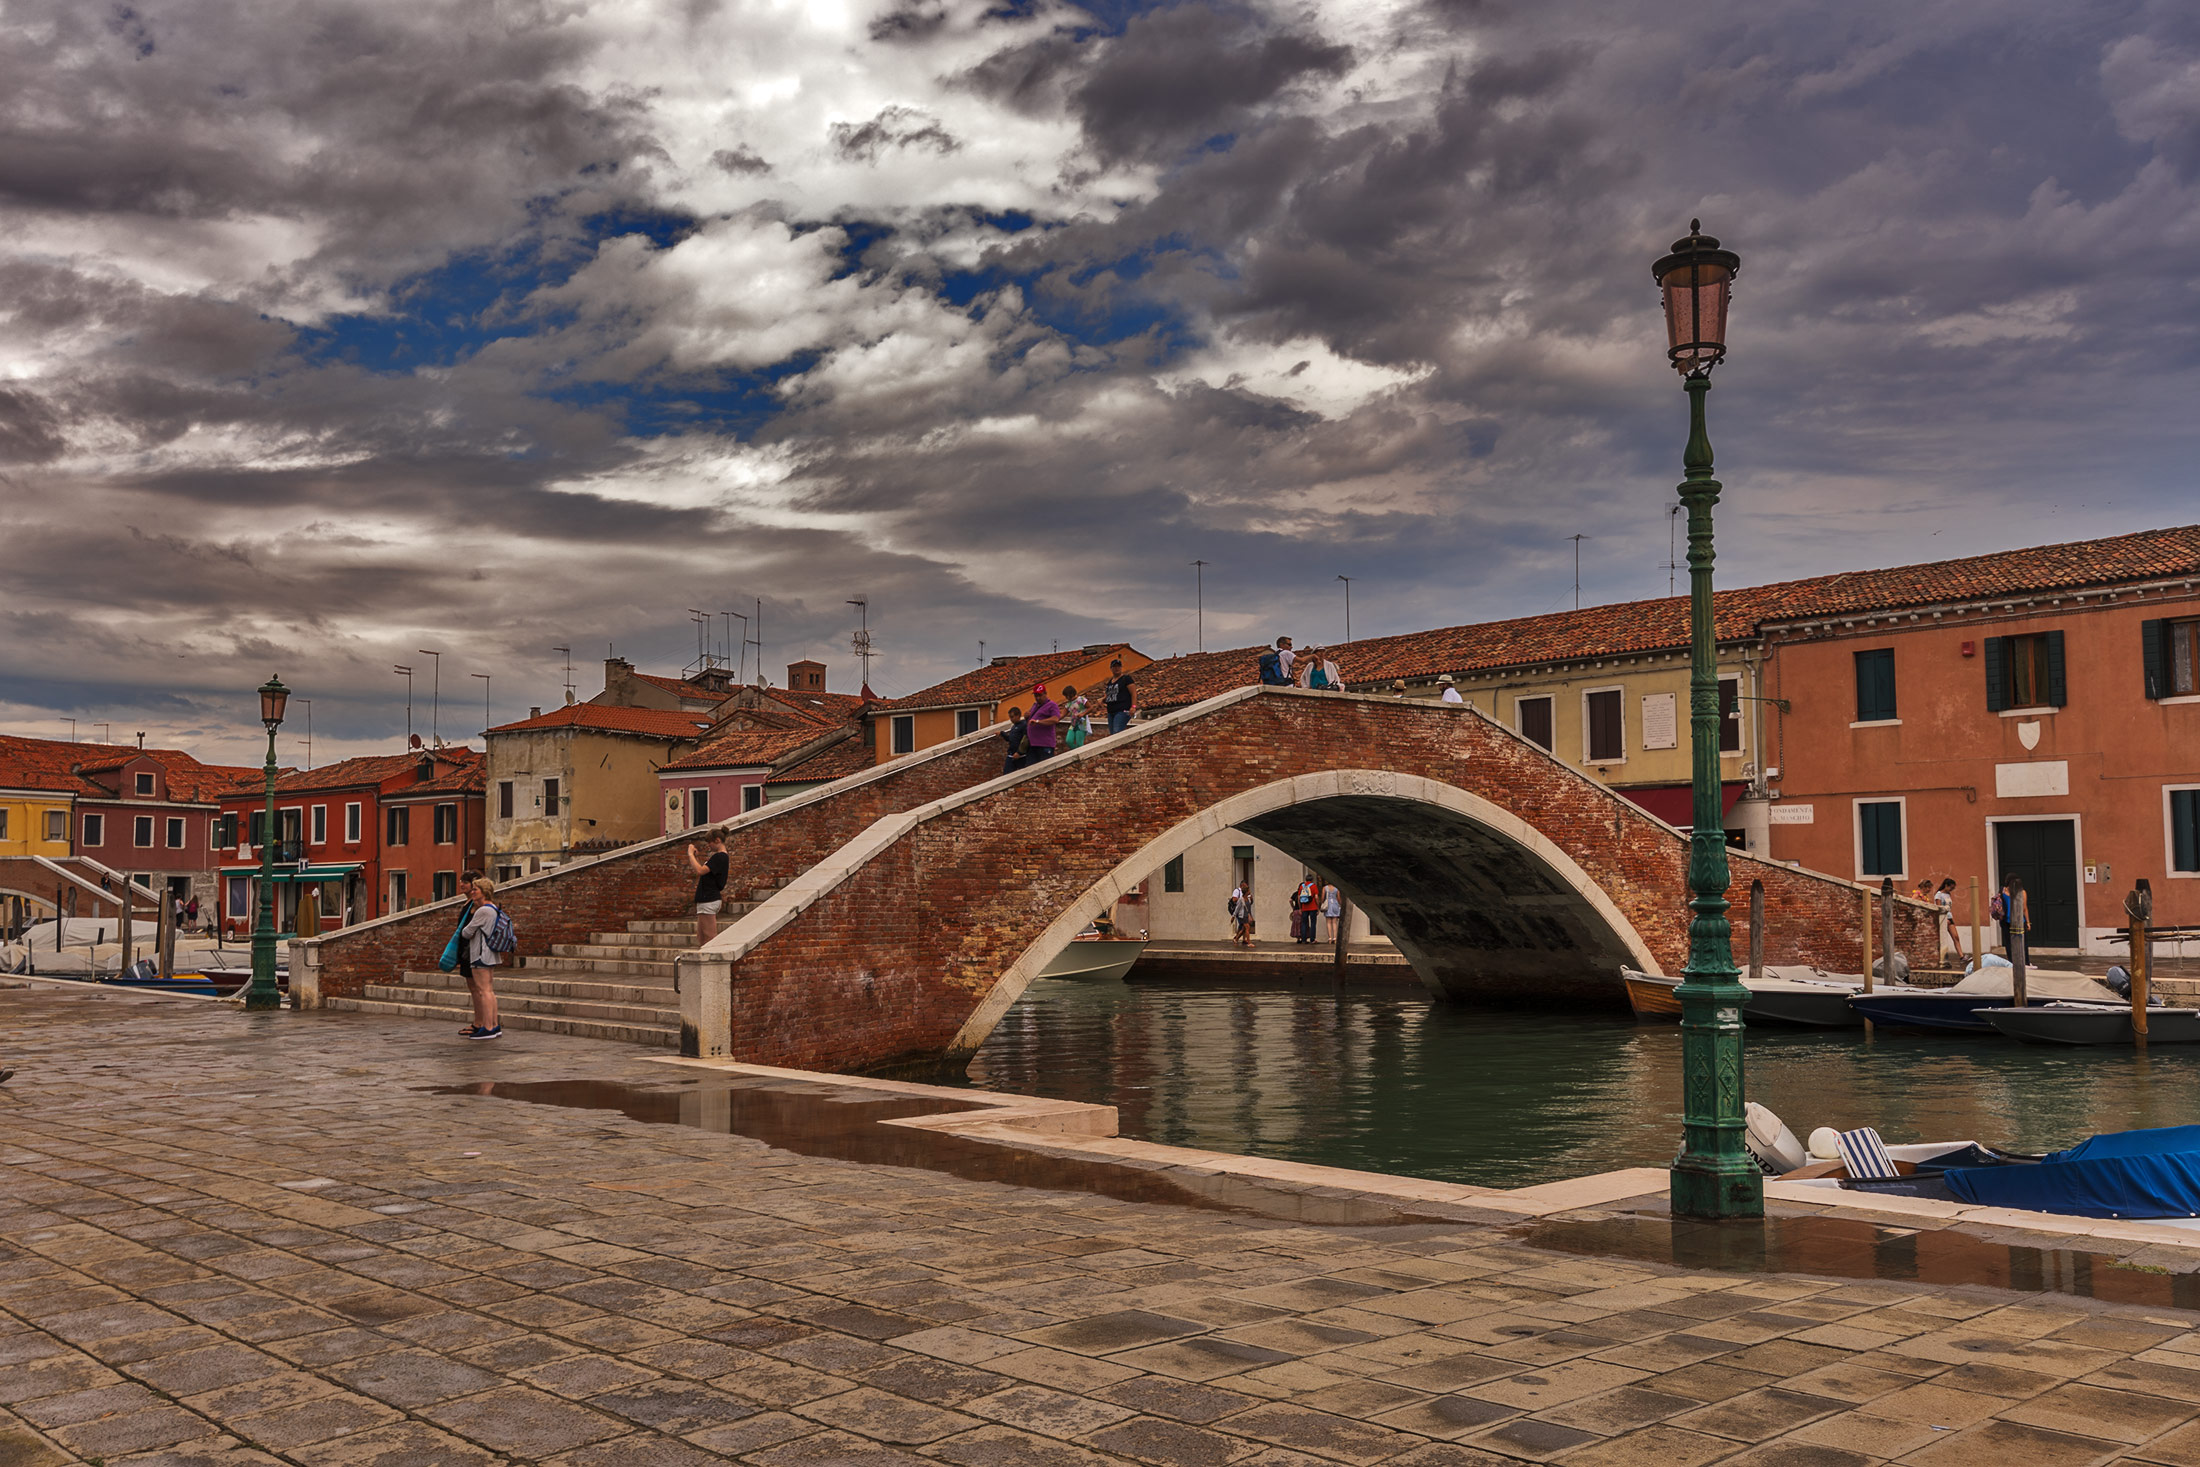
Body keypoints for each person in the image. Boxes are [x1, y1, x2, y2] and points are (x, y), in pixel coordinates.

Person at [458, 878, 502, 1040]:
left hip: (480, 954)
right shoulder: (493, 908)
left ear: (484, 891)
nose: (472, 891)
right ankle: (494, 1024)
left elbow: (466, 932)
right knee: (489, 991)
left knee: (484, 991)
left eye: (476, 889)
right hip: (490, 954)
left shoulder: (483, 911)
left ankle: (488, 1027)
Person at [685, 832, 729, 943]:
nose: (708, 845)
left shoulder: (719, 857)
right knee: (702, 938)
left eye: (709, 842)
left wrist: (690, 854)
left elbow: (700, 870)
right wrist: (695, 857)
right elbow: (703, 870)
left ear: (717, 840)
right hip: (706, 899)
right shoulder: (719, 857)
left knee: (710, 938)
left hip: (709, 899)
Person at [1025, 684, 1061, 763]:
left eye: (1040, 695)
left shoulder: (1052, 705)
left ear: (1045, 693)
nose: (1038, 698)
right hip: (1033, 744)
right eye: (1036, 696)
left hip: (1045, 745)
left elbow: (1055, 719)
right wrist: (1026, 716)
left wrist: (1038, 722)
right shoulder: (1035, 705)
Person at [1935, 877, 1965, 962]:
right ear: (1946, 885)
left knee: (1956, 937)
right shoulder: (1938, 895)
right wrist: (1944, 919)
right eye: (1951, 887)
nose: (1952, 889)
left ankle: (1961, 956)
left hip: (1949, 917)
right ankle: (1941, 957)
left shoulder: (1948, 894)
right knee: (1941, 939)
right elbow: (1939, 908)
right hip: (1943, 918)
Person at [1103, 661, 1136, 735]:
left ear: (1121, 667)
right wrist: (1102, 700)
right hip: (1111, 711)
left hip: (1122, 710)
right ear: (1111, 668)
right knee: (1112, 734)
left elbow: (1133, 693)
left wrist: (1133, 707)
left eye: (1118, 666)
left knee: (1117, 733)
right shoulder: (1110, 682)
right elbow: (1108, 695)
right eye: (1114, 667)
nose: (1117, 668)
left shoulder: (1126, 679)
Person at [1292, 873, 1320, 944]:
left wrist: (1300, 908)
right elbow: (1316, 897)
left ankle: (1304, 940)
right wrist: (1318, 907)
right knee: (1313, 923)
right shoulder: (1313, 886)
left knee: (1304, 923)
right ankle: (1312, 939)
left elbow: (1298, 898)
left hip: (1304, 907)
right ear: (1312, 880)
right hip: (1313, 907)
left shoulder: (1302, 886)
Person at [1061, 685, 1091, 750]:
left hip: (1082, 724)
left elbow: (1090, 708)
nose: (1066, 698)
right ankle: (1076, 751)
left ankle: (1080, 753)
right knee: (1069, 740)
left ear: (1071, 694)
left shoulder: (1082, 699)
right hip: (1073, 724)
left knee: (1079, 743)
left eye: (1066, 696)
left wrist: (1083, 714)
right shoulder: (1068, 704)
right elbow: (1062, 714)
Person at [999, 706, 1028, 772]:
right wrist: (1002, 734)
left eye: (1012, 717)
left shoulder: (1024, 725)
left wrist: (1019, 752)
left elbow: (1026, 740)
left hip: (1021, 756)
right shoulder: (1013, 726)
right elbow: (1011, 739)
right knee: (1006, 774)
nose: (1011, 719)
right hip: (1011, 755)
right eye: (1010, 717)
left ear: (1018, 716)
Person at [1228, 879, 1254, 947]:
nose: (1250, 892)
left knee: (1243, 929)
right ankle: (1249, 942)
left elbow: (1249, 906)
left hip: (1246, 915)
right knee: (1247, 927)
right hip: (1241, 915)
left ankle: (1236, 939)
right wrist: (1233, 916)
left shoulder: (1247, 898)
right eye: (1248, 891)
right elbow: (1237, 908)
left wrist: (1251, 899)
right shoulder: (1240, 899)